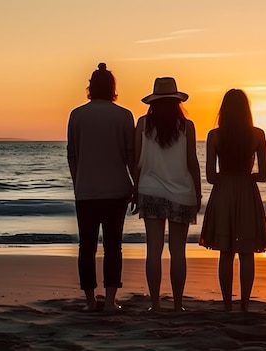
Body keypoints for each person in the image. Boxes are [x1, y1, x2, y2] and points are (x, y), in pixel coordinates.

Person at [67, 63, 136, 312]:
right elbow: (131, 156)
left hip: (86, 190)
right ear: (113, 88)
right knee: (113, 246)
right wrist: (137, 184)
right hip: (117, 190)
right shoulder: (124, 116)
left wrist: (78, 182)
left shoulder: (76, 115)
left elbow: (72, 155)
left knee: (86, 247)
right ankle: (109, 301)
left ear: (90, 87)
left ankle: (89, 301)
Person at [133, 77, 202, 312]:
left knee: (153, 250)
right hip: (182, 192)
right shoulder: (187, 126)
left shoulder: (143, 124)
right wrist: (199, 194)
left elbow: (136, 162)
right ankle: (178, 304)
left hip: (149, 190)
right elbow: (192, 163)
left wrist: (135, 190)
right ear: (176, 101)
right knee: (178, 251)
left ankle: (154, 303)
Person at [199, 89, 266, 312]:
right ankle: (246, 304)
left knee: (225, 252)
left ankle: (228, 304)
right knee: (247, 252)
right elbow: (264, 175)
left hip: (223, 191)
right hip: (247, 191)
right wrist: (248, 177)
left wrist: (225, 177)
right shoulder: (258, 135)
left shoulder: (214, 135)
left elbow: (210, 176)